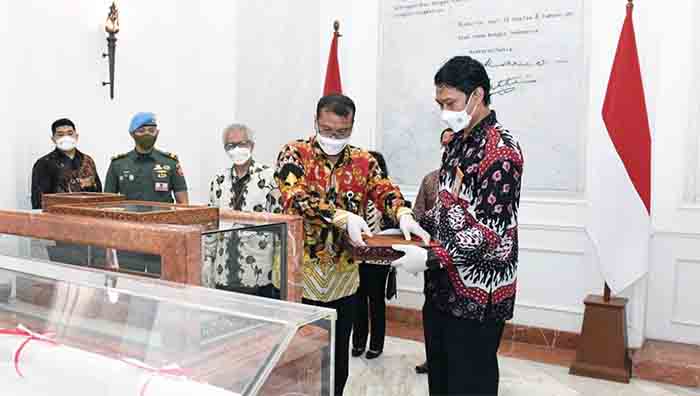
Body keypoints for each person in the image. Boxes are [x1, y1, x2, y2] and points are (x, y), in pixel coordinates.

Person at [275, 94, 430, 396]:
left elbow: (384, 189)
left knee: (336, 357)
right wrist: (340, 216)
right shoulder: (294, 153)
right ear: (316, 122)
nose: (334, 138)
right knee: (297, 356)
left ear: (352, 126)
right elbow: (293, 196)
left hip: (343, 276)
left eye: (342, 132)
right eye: (328, 130)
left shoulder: (363, 161)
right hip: (298, 274)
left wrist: (403, 212)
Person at [391, 56, 524, 396]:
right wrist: (412, 228)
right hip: (441, 290)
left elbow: (489, 230)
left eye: (449, 102)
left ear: (477, 95)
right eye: (440, 103)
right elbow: (448, 206)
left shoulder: (502, 151)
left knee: (469, 384)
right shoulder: (455, 143)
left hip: (478, 299)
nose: (444, 111)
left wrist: (430, 258)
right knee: (441, 379)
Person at [203, 123, 282, 298]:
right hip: (224, 268)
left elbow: (280, 224)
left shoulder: (270, 177)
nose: (237, 149)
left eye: (242, 144)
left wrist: (280, 265)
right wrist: (208, 258)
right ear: (225, 149)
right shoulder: (218, 181)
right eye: (231, 145)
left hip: (260, 271)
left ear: (252, 146)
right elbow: (211, 223)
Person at [413, 128, 453, 375]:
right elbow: (417, 216)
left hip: (463, 263)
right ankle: (433, 357)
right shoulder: (430, 180)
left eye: (453, 142)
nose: (448, 148)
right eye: (444, 143)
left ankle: (453, 359)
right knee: (432, 310)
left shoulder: (474, 179)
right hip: (433, 260)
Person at [351, 150, 395, 360]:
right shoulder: (357, 192)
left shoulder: (388, 194)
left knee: (376, 300)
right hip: (358, 254)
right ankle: (358, 341)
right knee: (358, 299)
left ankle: (376, 344)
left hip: (380, 256)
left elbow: (394, 224)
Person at [104, 112, 188, 204]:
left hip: (162, 217)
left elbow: (183, 204)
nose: (147, 134)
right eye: (141, 131)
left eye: (151, 130)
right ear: (132, 134)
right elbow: (108, 203)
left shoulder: (170, 163)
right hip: (129, 217)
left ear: (157, 133)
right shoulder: (118, 164)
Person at [31, 118, 102, 209]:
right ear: (53, 139)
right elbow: (38, 201)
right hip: (58, 218)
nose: (66, 138)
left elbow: (99, 194)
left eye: (70, 133)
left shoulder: (88, 161)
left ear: (76, 136)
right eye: (60, 134)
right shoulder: (44, 163)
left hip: (88, 215)